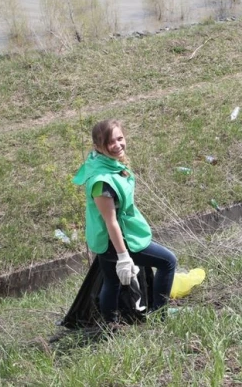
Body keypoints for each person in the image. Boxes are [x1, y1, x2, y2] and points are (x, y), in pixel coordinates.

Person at [73, 119, 177, 323]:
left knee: (112, 282)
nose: (118, 145)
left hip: (114, 237)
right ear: (97, 147)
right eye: (110, 142)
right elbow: (110, 221)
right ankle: (159, 314)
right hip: (116, 239)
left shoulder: (107, 164)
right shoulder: (101, 181)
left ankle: (110, 325)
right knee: (168, 261)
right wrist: (123, 256)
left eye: (120, 138)